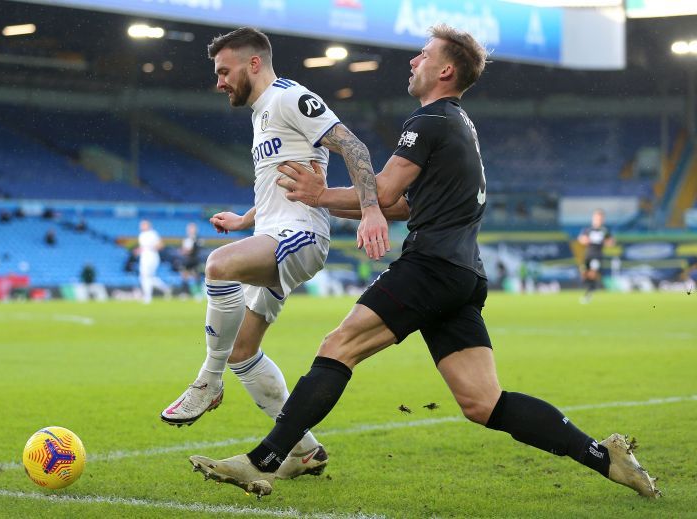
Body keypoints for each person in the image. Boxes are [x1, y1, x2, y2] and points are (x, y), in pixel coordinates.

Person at [188, 24, 659, 499]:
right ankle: (604, 457)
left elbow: (385, 193)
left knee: (339, 346)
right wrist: (328, 200)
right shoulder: (459, 124)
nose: (413, 61)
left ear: (446, 69)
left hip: (431, 265)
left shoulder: (428, 121)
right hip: (463, 274)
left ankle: (263, 460)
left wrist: (320, 193)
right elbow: (404, 206)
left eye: (423, 55)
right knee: (484, 403)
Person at [160, 27, 389, 481]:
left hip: (302, 234)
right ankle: (304, 451)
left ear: (253, 64)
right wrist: (246, 221)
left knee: (218, 265)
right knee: (244, 351)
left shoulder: (290, 97)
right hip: (274, 231)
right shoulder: (261, 113)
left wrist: (370, 210)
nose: (219, 81)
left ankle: (208, 380)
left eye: (224, 71)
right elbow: (278, 181)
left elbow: (352, 146)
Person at [577, 209, 614, 303]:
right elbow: (581, 239)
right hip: (588, 254)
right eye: (597, 217)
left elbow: (611, 242)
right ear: (593, 218)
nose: (598, 219)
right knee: (583, 273)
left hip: (597, 256)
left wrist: (606, 242)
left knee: (593, 273)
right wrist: (585, 240)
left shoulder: (604, 230)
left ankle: (589, 293)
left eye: (600, 218)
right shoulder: (588, 229)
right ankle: (591, 288)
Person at [136, 219, 172, 303]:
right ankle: (165, 288)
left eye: (143, 224)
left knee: (145, 276)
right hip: (144, 257)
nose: (141, 226)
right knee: (148, 277)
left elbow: (160, 245)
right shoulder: (141, 235)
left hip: (152, 256)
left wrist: (153, 247)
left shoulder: (153, 234)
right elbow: (143, 247)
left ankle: (147, 297)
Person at [178, 222, 203, 297]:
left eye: (192, 228)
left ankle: (199, 293)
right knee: (184, 275)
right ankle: (185, 293)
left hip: (194, 260)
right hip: (187, 260)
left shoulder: (198, 238)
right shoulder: (186, 239)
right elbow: (183, 250)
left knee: (196, 275)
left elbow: (196, 249)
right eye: (189, 228)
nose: (190, 230)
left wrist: (188, 251)